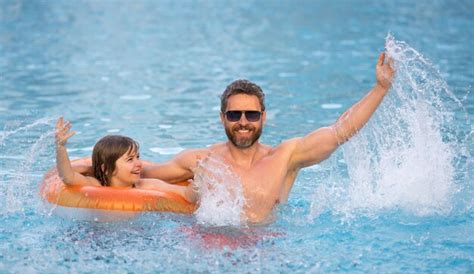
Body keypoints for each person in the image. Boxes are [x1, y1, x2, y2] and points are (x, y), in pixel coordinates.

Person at [140, 52, 395, 224]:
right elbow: (145, 174)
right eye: (234, 114)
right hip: (208, 249)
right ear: (222, 117)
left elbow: (339, 131)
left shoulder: (286, 157)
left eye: (251, 114)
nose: (242, 122)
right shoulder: (200, 161)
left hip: (264, 251)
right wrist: (102, 162)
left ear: (263, 117)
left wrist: (380, 88)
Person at [55, 117, 197, 203]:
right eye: (130, 159)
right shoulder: (95, 185)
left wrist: (199, 182)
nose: (139, 163)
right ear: (106, 168)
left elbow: (187, 195)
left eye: (138, 157)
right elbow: (67, 177)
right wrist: (61, 147)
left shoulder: (147, 185)